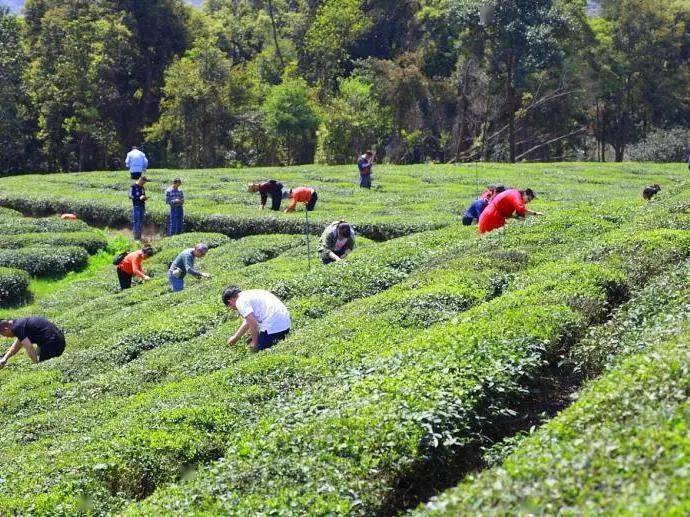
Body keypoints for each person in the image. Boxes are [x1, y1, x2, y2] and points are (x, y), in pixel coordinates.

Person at [223, 286, 291, 353]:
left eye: (229, 307)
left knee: (256, 350)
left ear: (230, 302)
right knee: (249, 339)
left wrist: (254, 343)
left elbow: (253, 323)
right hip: (285, 325)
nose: (232, 309)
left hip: (275, 328)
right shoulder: (248, 294)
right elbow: (248, 321)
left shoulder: (239, 302)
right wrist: (235, 338)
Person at [0, 317, 65, 367]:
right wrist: (5, 358)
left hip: (53, 344)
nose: (7, 337)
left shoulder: (17, 328)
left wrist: (36, 366)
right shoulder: (18, 324)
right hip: (59, 340)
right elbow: (17, 344)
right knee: (38, 352)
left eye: (4, 335)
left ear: (6, 329)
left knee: (42, 366)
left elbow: (30, 348)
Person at [478, 188, 542, 234]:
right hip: (491, 217)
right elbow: (521, 209)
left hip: (492, 216)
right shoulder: (516, 195)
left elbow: (508, 213)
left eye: (529, 201)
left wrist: (516, 217)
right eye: (528, 199)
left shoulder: (515, 193)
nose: (527, 202)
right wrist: (534, 213)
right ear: (525, 193)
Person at [129, 175, 150, 241]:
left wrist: (145, 198)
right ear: (140, 179)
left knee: (141, 222)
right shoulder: (133, 186)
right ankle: (136, 237)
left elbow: (143, 195)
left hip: (142, 206)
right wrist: (139, 198)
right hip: (136, 206)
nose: (144, 183)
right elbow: (130, 196)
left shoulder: (142, 187)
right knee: (137, 222)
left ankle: (139, 236)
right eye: (143, 182)